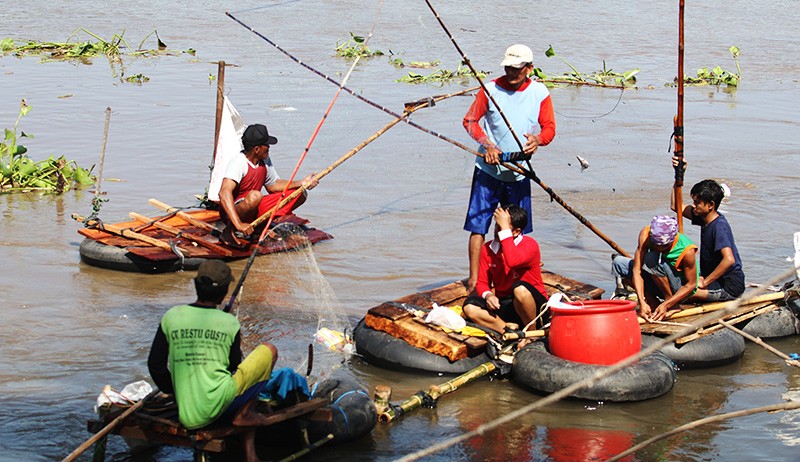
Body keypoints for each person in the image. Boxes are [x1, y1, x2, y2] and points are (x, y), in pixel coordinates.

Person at [462, 43, 556, 290]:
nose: (511, 73)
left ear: (529, 68)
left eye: (517, 69)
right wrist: (487, 145)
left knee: (516, 226)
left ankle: (512, 276)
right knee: (478, 225)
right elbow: (470, 121)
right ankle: (475, 280)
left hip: (519, 172)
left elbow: (549, 128)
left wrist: (538, 140)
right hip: (488, 170)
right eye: (508, 68)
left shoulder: (539, 92)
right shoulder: (490, 89)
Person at [147, 260, 278, 429]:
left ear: (196, 285)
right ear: (224, 293)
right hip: (217, 405)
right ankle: (243, 414)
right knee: (269, 350)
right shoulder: (230, 322)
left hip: (187, 413)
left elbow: (155, 365)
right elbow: (234, 366)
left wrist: (174, 391)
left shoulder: (171, 316)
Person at [217, 123, 319, 246]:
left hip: (254, 207)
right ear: (256, 149)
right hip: (233, 213)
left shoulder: (264, 160)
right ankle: (228, 232)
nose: (269, 147)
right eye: (266, 145)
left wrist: (302, 183)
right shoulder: (238, 163)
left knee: (300, 193)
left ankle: (259, 227)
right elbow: (224, 193)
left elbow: (273, 185)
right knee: (255, 196)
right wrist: (238, 224)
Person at [462, 204, 549, 333]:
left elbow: (512, 261)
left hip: (534, 308)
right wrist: (488, 296)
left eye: (502, 228)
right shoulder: (488, 249)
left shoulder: (530, 244)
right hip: (506, 304)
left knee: (519, 289)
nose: (497, 231)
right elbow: (482, 282)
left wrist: (505, 232)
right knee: (470, 307)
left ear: (516, 232)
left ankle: (531, 333)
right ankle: (508, 331)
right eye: (497, 226)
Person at [671, 157, 745, 301]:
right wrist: (679, 175)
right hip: (713, 280)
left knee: (679, 292)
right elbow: (676, 206)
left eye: (697, 203)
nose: (693, 206)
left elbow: (729, 259)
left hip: (728, 286)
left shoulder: (719, 226)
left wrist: (705, 282)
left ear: (710, 205)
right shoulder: (703, 217)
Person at [612, 215, 699, 322]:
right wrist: (642, 302)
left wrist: (667, 304)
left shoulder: (687, 250)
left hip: (679, 289)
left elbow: (691, 285)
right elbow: (636, 271)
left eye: (665, 246)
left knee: (651, 258)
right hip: (658, 280)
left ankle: (672, 304)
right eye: (656, 245)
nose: (659, 248)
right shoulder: (645, 235)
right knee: (619, 263)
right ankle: (652, 303)